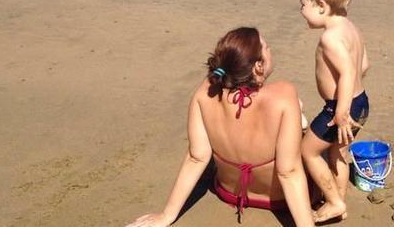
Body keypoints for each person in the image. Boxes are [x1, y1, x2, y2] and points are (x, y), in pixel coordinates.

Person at [125, 28, 314, 227]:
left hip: (229, 193)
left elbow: (197, 157)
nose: (270, 49)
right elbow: (289, 172)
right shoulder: (284, 93)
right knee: (317, 140)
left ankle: (297, 117)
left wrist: (167, 215)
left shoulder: (206, 91)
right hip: (278, 199)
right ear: (259, 66)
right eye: (266, 47)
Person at [298, 0, 370, 223]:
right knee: (339, 152)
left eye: (303, 4)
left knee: (308, 151)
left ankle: (334, 201)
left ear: (321, 5)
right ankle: (339, 203)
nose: (301, 10)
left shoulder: (330, 38)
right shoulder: (350, 28)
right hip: (361, 101)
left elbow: (349, 72)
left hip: (340, 108)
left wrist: (340, 113)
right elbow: (364, 64)